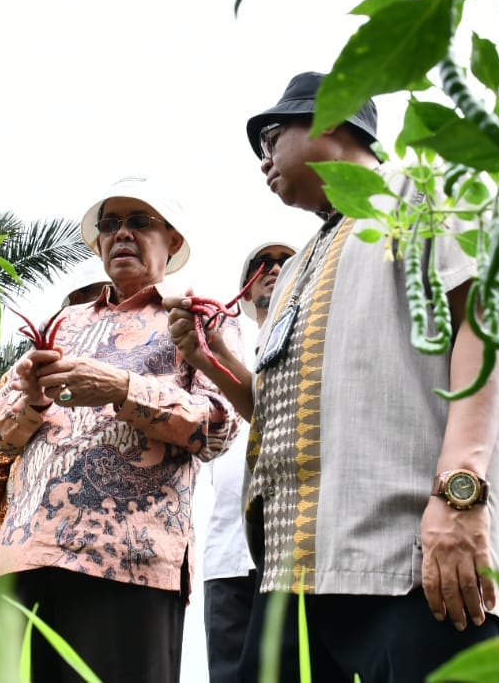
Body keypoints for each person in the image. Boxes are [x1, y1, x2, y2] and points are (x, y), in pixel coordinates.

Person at [170, 72, 499, 683]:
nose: (263, 159)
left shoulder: (423, 191)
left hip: (412, 562)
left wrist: (461, 496)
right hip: (292, 577)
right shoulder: (297, 266)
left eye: (271, 137)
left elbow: (482, 330)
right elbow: (276, 414)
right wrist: (209, 357)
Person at [0, 174, 241, 683]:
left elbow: (219, 429)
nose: (122, 233)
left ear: (174, 240)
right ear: (97, 242)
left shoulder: (198, 318)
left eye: (140, 221)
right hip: (21, 556)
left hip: (127, 561)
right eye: (110, 224)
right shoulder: (61, 323)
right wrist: (29, 404)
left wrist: (122, 389)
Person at [183, 241, 296, 683]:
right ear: (244, 292)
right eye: (261, 265)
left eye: (286, 263)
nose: (273, 269)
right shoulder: (216, 361)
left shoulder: (317, 352)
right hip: (228, 556)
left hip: (292, 551)